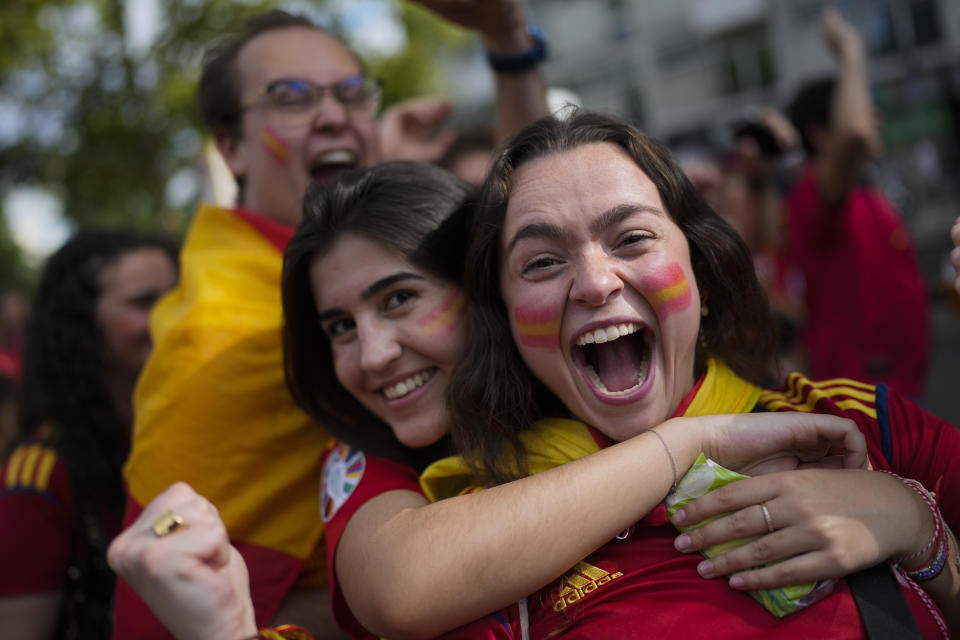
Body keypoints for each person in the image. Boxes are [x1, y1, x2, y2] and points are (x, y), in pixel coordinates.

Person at [416, 109, 958, 637]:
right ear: (505, 317)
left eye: (632, 238)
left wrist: (918, 529)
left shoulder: (859, 424)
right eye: (542, 262)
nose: (595, 283)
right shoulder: (479, 527)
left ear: (701, 268)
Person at [116, 3, 549, 637]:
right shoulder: (229, 328)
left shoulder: (310, 258)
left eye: (351, 93)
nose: (333, 114)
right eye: (291, 98)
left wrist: (509, 45)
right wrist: (672, 457)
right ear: (231, 145)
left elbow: (533, 220)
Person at [0, 229, 178, 640]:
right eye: (144, 302)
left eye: (178, 296)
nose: (172, 316)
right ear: (81, 326)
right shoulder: (38, 480)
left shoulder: (191, 437)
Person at [784, 8, 929, 399]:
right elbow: (855, 134)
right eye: (860, 103)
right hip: (865, 397)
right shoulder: (812, 194)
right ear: (819, 135)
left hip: (900, 389)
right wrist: (850, 51)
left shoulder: (865, 193)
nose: (874, 115)